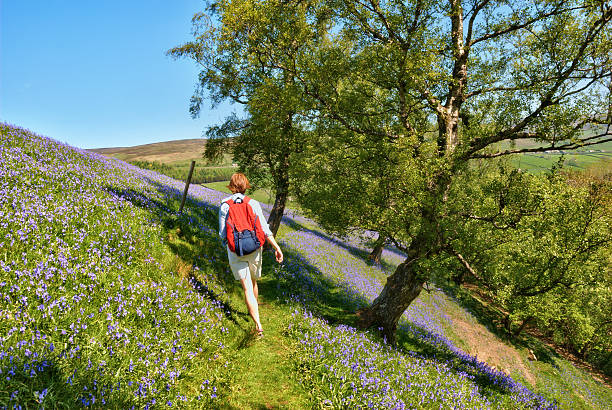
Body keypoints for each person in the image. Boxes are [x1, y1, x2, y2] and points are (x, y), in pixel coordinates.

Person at [218, 173, 283, 338]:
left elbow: (223, 234)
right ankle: (255, 313)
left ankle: (258, 325)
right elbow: (264, 229)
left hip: (236, 251)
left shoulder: (225, 205)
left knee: (246, 287)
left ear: (231, 186)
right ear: (246, 186)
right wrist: (276, 247)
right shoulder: (253, 203)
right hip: (254, 249)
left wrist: (231, 246)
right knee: (253, 282)